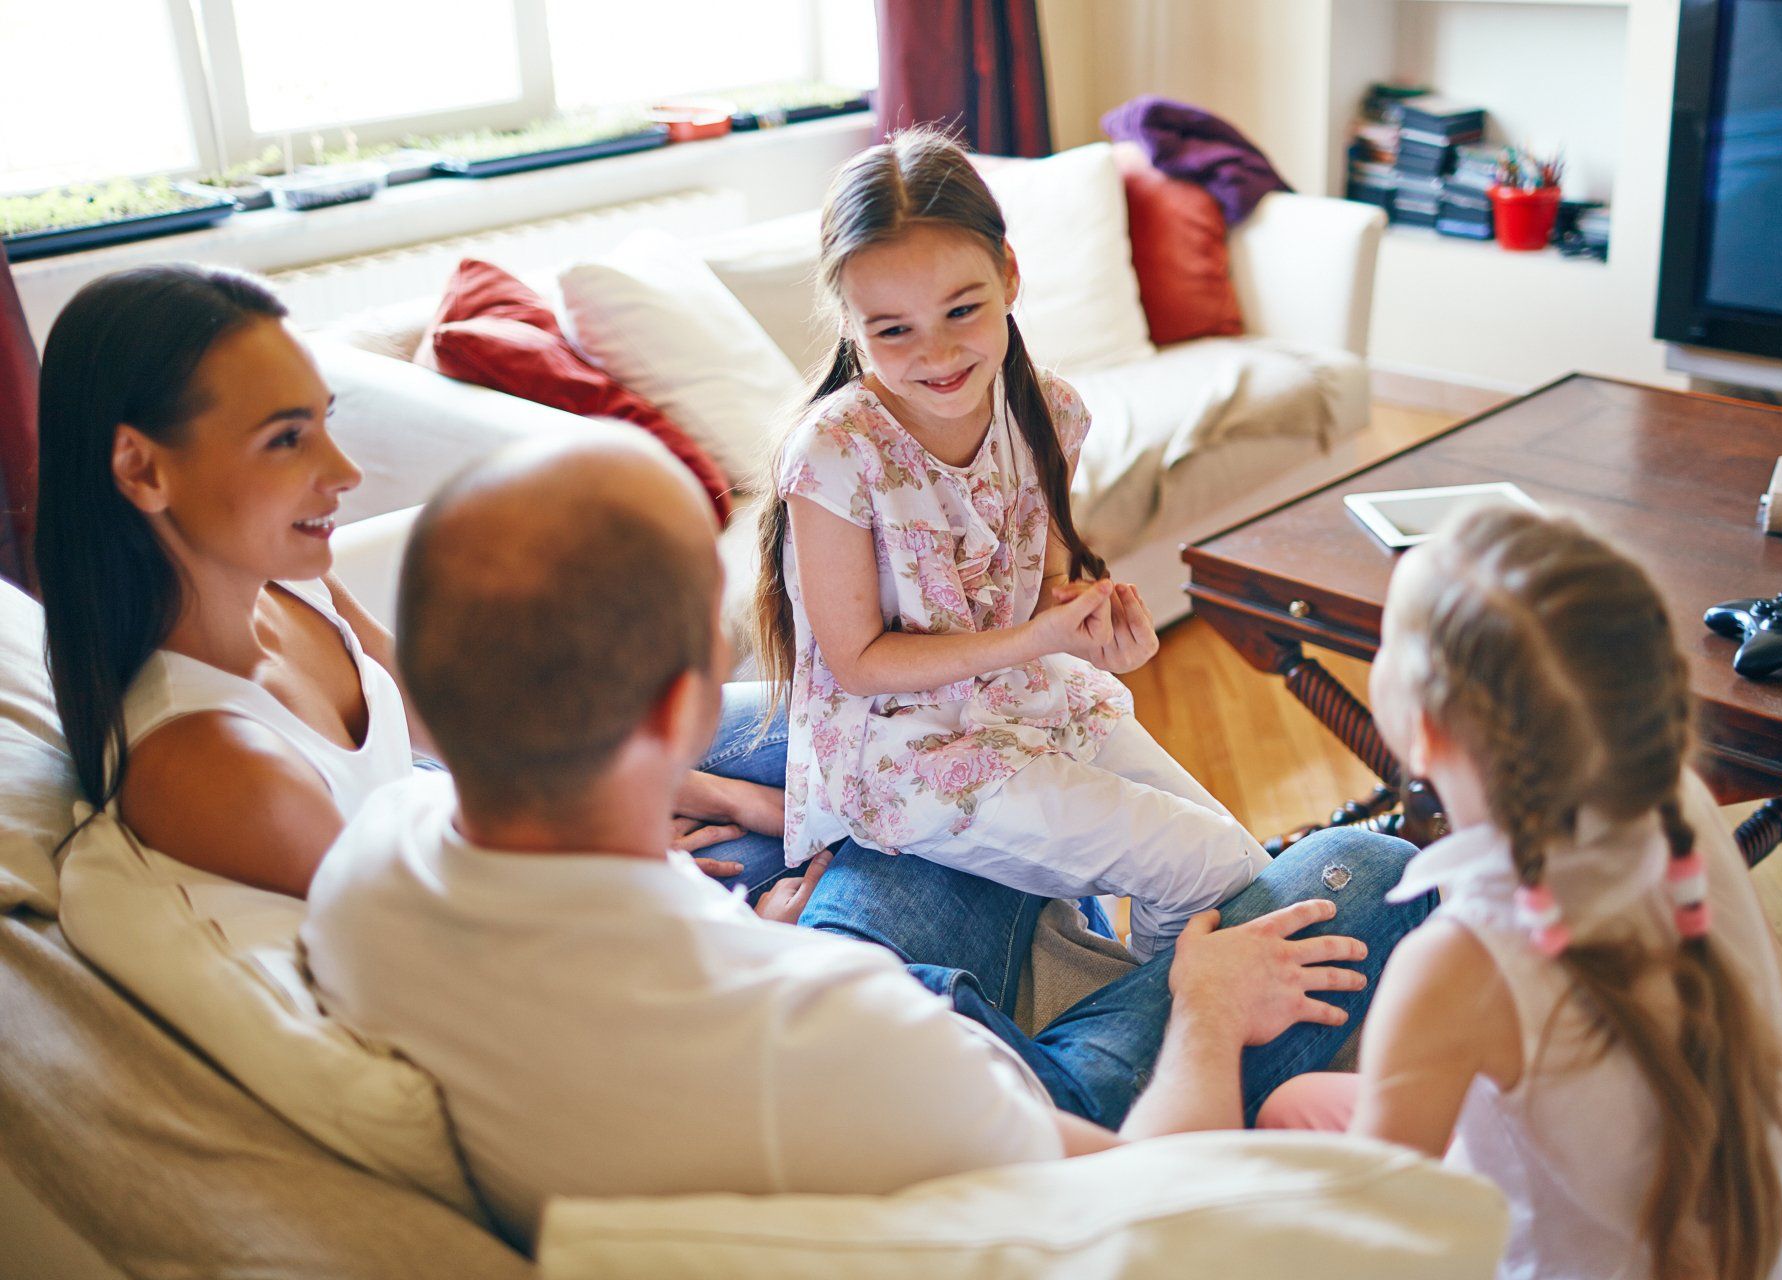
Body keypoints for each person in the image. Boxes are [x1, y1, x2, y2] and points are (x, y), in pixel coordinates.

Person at [300, 429, 1409, 1251]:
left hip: (789, 991)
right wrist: (1209, 1010)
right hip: (992, 1098)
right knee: (1366, 870)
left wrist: (735, 906)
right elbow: (1148, 1205)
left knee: (925, 767)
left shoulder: (372, 863)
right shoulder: (834, 1032)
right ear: (686, 699)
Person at [31, 263, 786, 898]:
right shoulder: (212, 767)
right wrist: (644, 877)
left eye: (325, 423)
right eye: (286, 439)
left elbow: (452, 728)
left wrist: (701, 792)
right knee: (857, 845)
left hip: (477, 821)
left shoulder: (283, 584)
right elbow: (428, 957)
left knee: (852, 734)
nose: (344, 473)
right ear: (142, 468)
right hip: (509, 904)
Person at [1258, 507, 1782, 1280]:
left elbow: (1383, 1238)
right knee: (1304, 1106)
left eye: (1387, 636)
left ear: (1423, 729)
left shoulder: (1453, 964)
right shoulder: (1677, 804)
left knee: (1282, 1118)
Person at [756, 127, 1266, 960]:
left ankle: (1159, 1021)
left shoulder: (1047, 411)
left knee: (1239, 864)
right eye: (893, 332)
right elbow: (858, 663)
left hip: (1022, 698)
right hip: (901, 753)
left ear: (1010, 276)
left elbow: (1041, 586)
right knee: (1208, 865)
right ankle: (1150, 1050)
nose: (939, 353)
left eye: (963, 309)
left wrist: (1091, 626)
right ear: (849, 325)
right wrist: (1040, 639)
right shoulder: (835, 453)